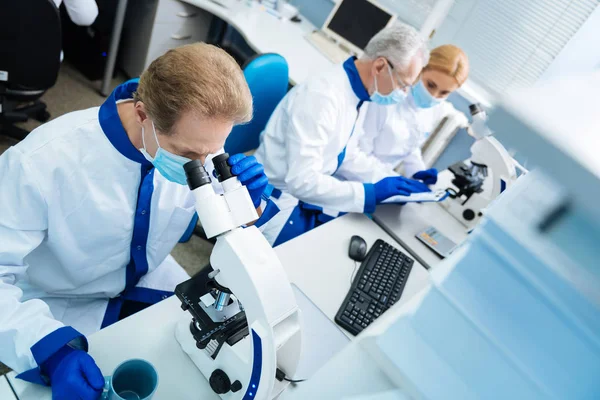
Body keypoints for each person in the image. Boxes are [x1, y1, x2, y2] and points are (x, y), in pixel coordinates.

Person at [0, 43, 273, 399]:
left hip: (149, 279)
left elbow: (214, 221)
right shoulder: (39, 164)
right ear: (143, 114)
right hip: (64, 300)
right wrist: (50, 350)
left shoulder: (197, 138)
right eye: (190, 155)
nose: (204, 164)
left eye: (214, 151)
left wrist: (250, 207)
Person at [254, 23, 431, 246]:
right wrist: (370, 193)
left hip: (304, 197)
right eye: (403, 85)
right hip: (275, 205)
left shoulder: (358, 92)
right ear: (380, 66)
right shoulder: (323, 97)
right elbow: (301, 181)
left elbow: (346, 155)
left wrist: (391, 180)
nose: (404, 94)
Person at [359, 44, 470, 184]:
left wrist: (417, 171)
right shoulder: (387, 96)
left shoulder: (435, 109)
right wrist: (391, 180)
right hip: (356, 178)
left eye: (444, 92)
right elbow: (359, 152)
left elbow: (410, 144)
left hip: (381, 180)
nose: (434, 96)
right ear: (421, 70)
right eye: (430, 85)